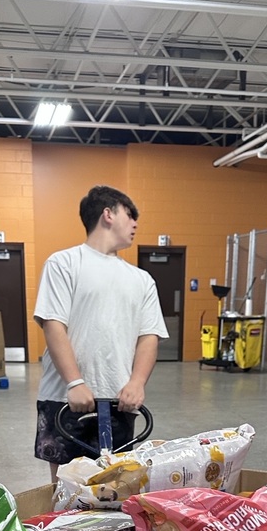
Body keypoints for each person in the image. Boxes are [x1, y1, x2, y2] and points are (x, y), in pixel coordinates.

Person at [33, 185, 169, 481]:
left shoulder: (142, 279)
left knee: (114, 491)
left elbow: (149, 336)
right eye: (130, 214)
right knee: (66, 492)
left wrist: (137, 382)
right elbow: (53, 324)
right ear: (108, 214)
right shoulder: (64, 263)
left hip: (120, 401)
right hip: (65, 399)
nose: (136, 223)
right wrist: (75, 382)